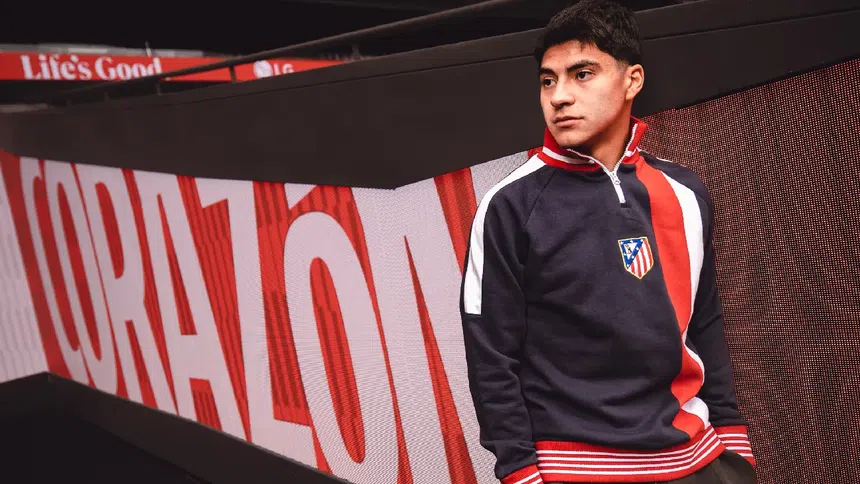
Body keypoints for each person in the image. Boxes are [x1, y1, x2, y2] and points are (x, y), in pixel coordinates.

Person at [459, 1, 757, 483]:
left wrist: (734, 446)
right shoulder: (508, 206)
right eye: (548, 81)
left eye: (582, 74)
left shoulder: (684, 191)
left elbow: (704, 324)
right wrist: (520, 472)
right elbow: (491, 357)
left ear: (632, 80)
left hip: (698, 459)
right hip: (578, 468)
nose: (559, 96)